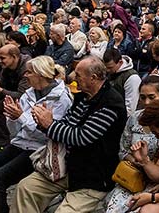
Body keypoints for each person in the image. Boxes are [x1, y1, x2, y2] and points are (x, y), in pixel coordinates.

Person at [14, 56, 128, 213]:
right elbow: (66, 125)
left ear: (93, 78)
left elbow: (81, 137)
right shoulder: (82, 97)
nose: (73, 78)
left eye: (79, 75)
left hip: (94, 177)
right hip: (69, 167)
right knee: (26, 188)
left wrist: (49, 125)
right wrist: (43, 124)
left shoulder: (111, 103)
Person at [104, 76, 159, 213]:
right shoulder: (135, 118)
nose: (147, 102)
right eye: (143, 97)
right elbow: (123, 150)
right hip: (133, 177)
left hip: (157, 183)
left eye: (152, 97)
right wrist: (136, 160)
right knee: (115, 207)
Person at [104, 47, 142, 116]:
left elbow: (130, 109)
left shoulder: (132, 78)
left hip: (123, 117)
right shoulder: (110, 73)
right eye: (106, 67)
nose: (107, 70)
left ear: (120, 62)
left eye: (110, 67)